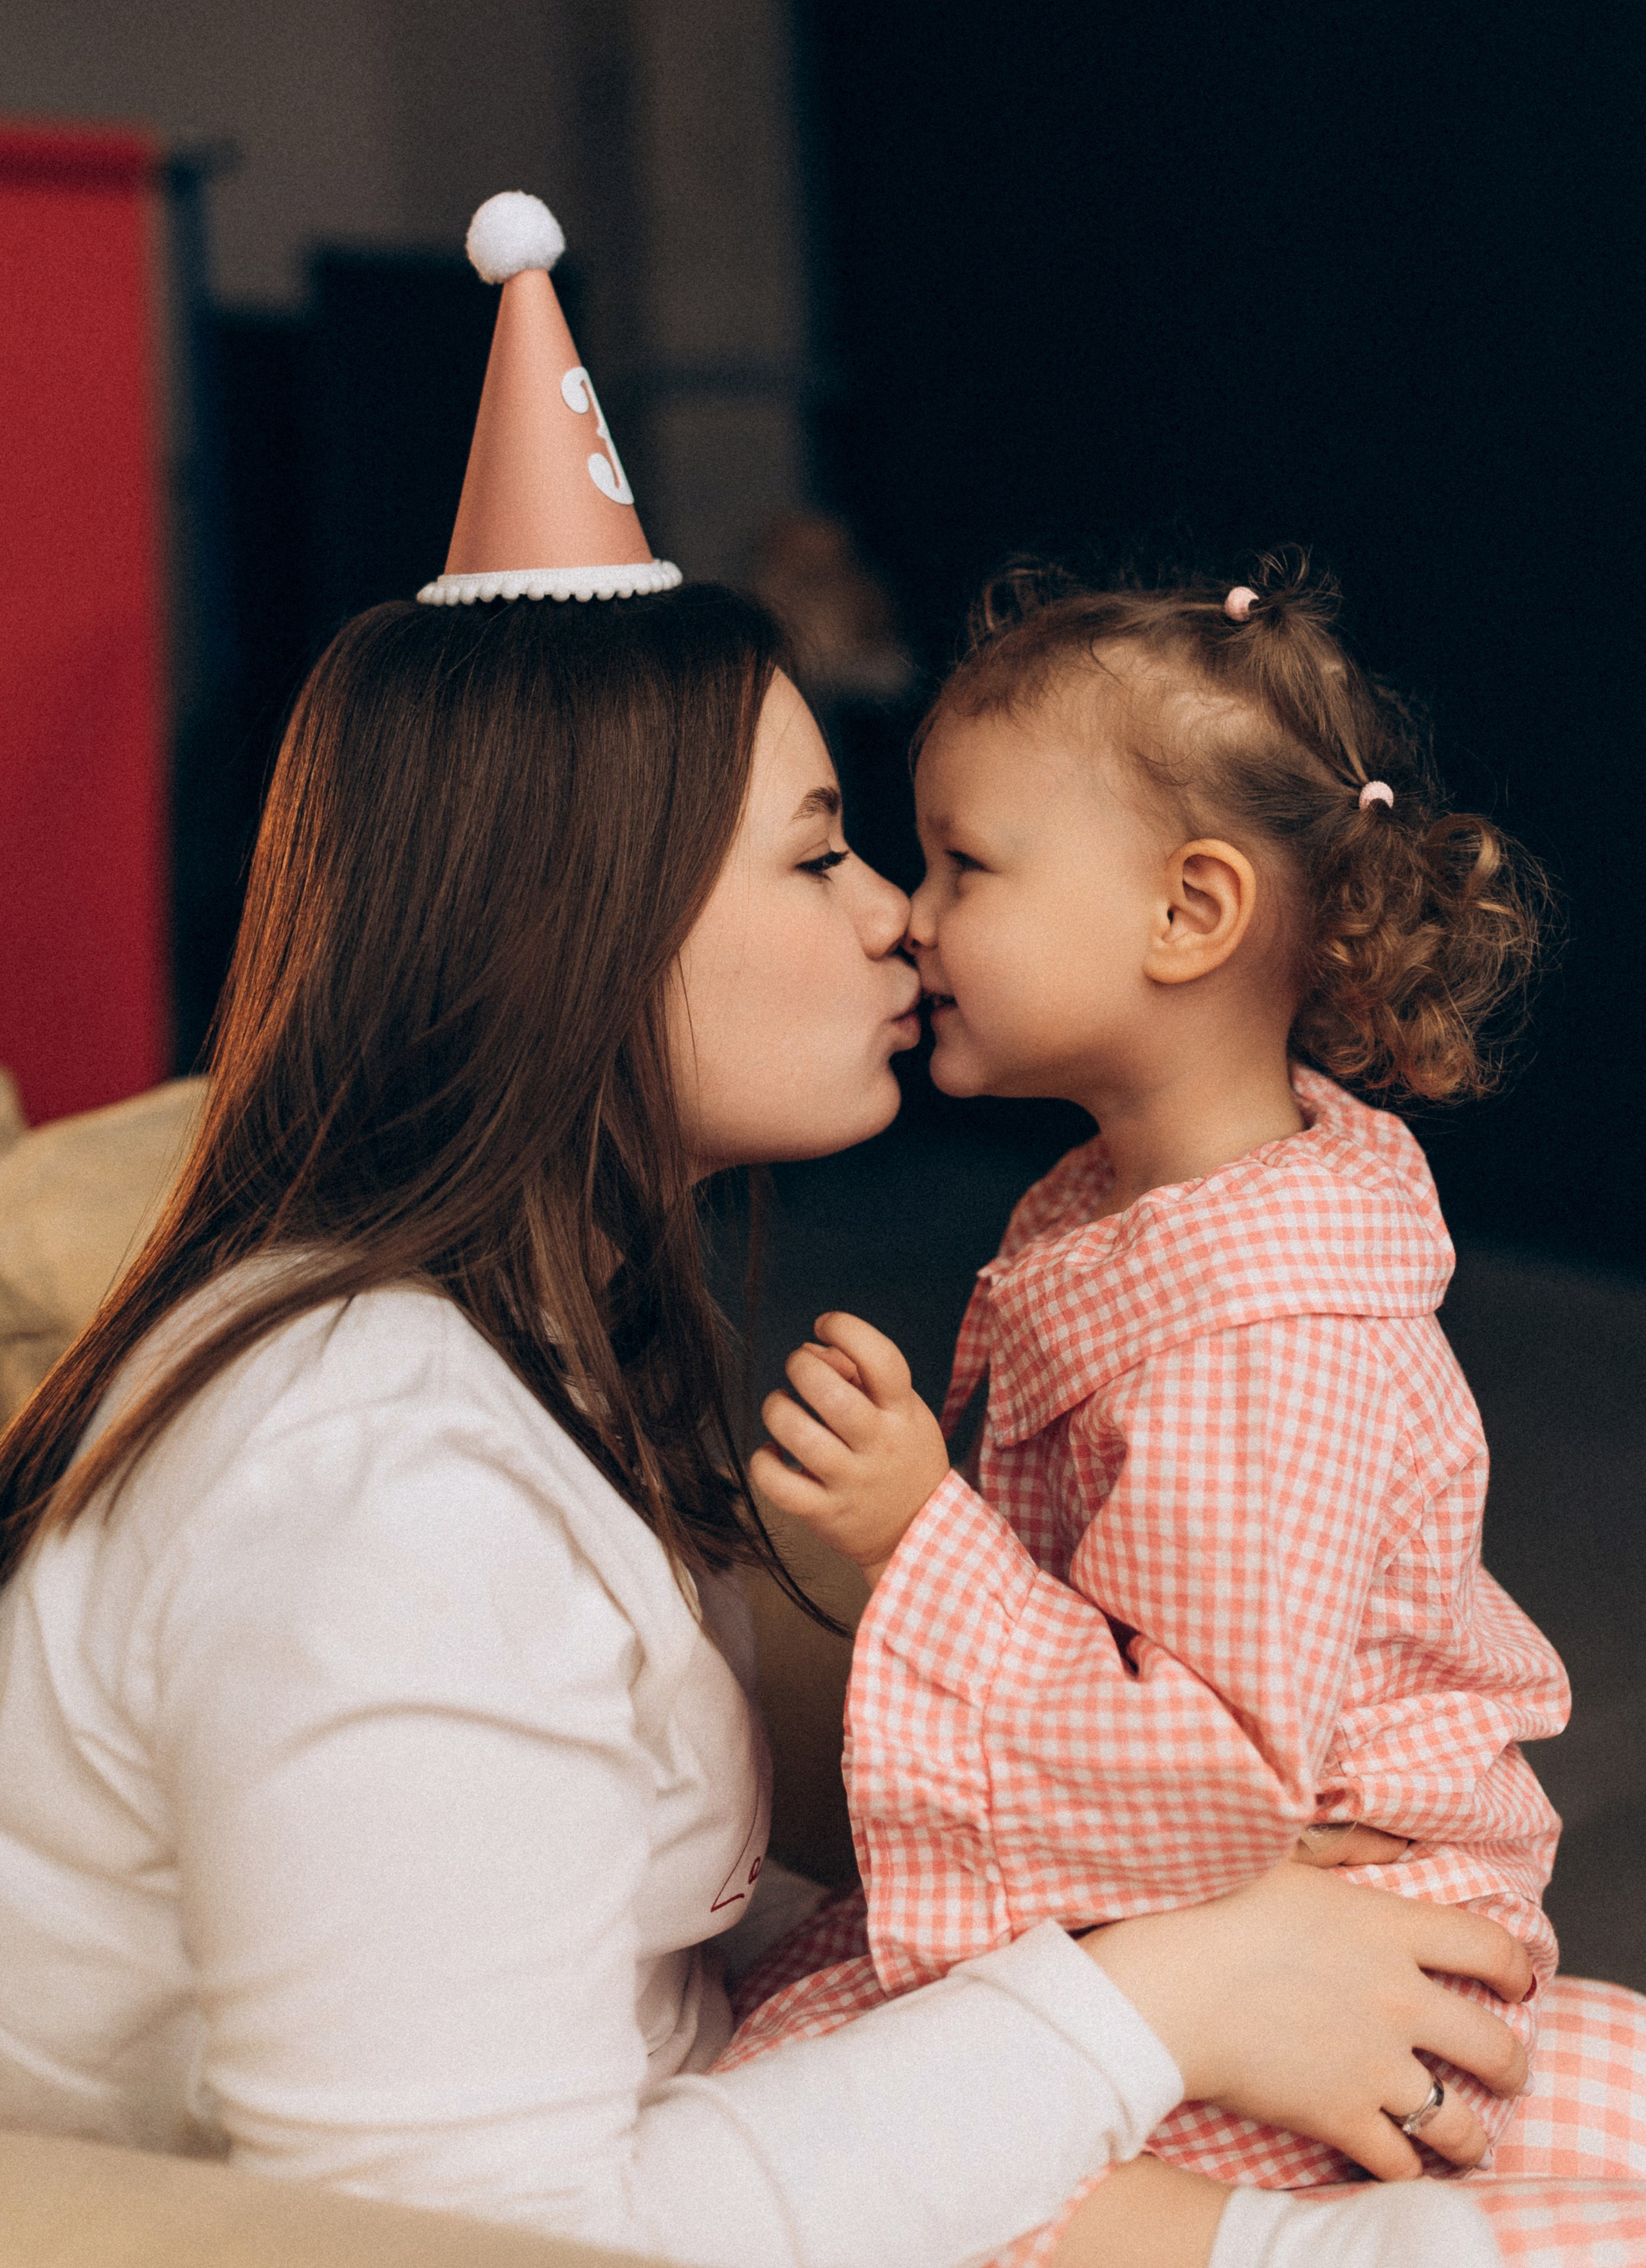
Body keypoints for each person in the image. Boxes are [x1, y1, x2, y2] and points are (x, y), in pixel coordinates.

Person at [0, 584, 1552, 2268]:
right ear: (574, 927)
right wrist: (1170, 1995)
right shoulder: (380, 1497)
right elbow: (458, 2242)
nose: (901, 920)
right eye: (825, 856)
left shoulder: (533, 1340)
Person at [728, 553, 1641, 2256]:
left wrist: (913, 1545)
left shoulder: (1259, 1343)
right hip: (1210, 1871)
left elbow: (1216, 1785)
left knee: (834, 2145)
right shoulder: (1137, 1208)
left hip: (1309, 1924)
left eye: (966, 866)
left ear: (1189, 916)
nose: (910, 918)